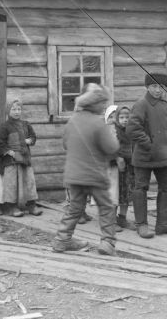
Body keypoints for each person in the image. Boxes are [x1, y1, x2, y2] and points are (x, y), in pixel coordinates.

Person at [52, 85, 120, 255]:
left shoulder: (73, 120)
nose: (104, 105)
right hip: (95, 174)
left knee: (74, 209)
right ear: (94, 104)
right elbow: (112, 148)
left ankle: (61, 240)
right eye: (102, 102)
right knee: (106, 207)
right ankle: (107, 243)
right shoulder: (99, 123)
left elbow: (65, 144)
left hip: (74, 176)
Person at [127, 72, 167, 238]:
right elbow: (133, 129)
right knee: (140, 188)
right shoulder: (141, 104)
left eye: (162, 87)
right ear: (147, 87)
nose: (158, 90)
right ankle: (142, 225)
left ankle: (163, 224)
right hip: (144, 156)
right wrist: (149, 145)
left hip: (165, 157)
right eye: (154, 86)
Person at [0, 99, 43, 217]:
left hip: (25, 159)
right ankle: (12, 207)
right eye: (13, 109)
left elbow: (33, 137)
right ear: (8, 111)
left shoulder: (26, 124)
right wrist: (9, 152)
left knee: (29, 181)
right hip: (11, 160)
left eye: (19, 109)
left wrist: (30, 140)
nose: (17, 112)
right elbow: (0, 143)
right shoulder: (4, 127)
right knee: (11, 183)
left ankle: (32, 205)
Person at [113, 106, 136, 230]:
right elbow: (111, 147)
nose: (125, 120)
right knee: (115, 193)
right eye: (121, 117)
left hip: (130, 166)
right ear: (117, 118)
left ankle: (122, 218)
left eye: (127, 117)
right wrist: (117, 157)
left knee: (126, 193)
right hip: (116, 168)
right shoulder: (114, 131)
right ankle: (112, 220)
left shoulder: (132, 131)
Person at [104, 105, 123, 233]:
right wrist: (116, 157)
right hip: (108, 166)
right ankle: (110, 222)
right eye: (110, 116)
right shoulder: (105, 130)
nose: (112, 119)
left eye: (114, 117)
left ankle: (113, 218)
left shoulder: (119, 130)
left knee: (115, 193)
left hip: (116, 166)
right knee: (110, 193)